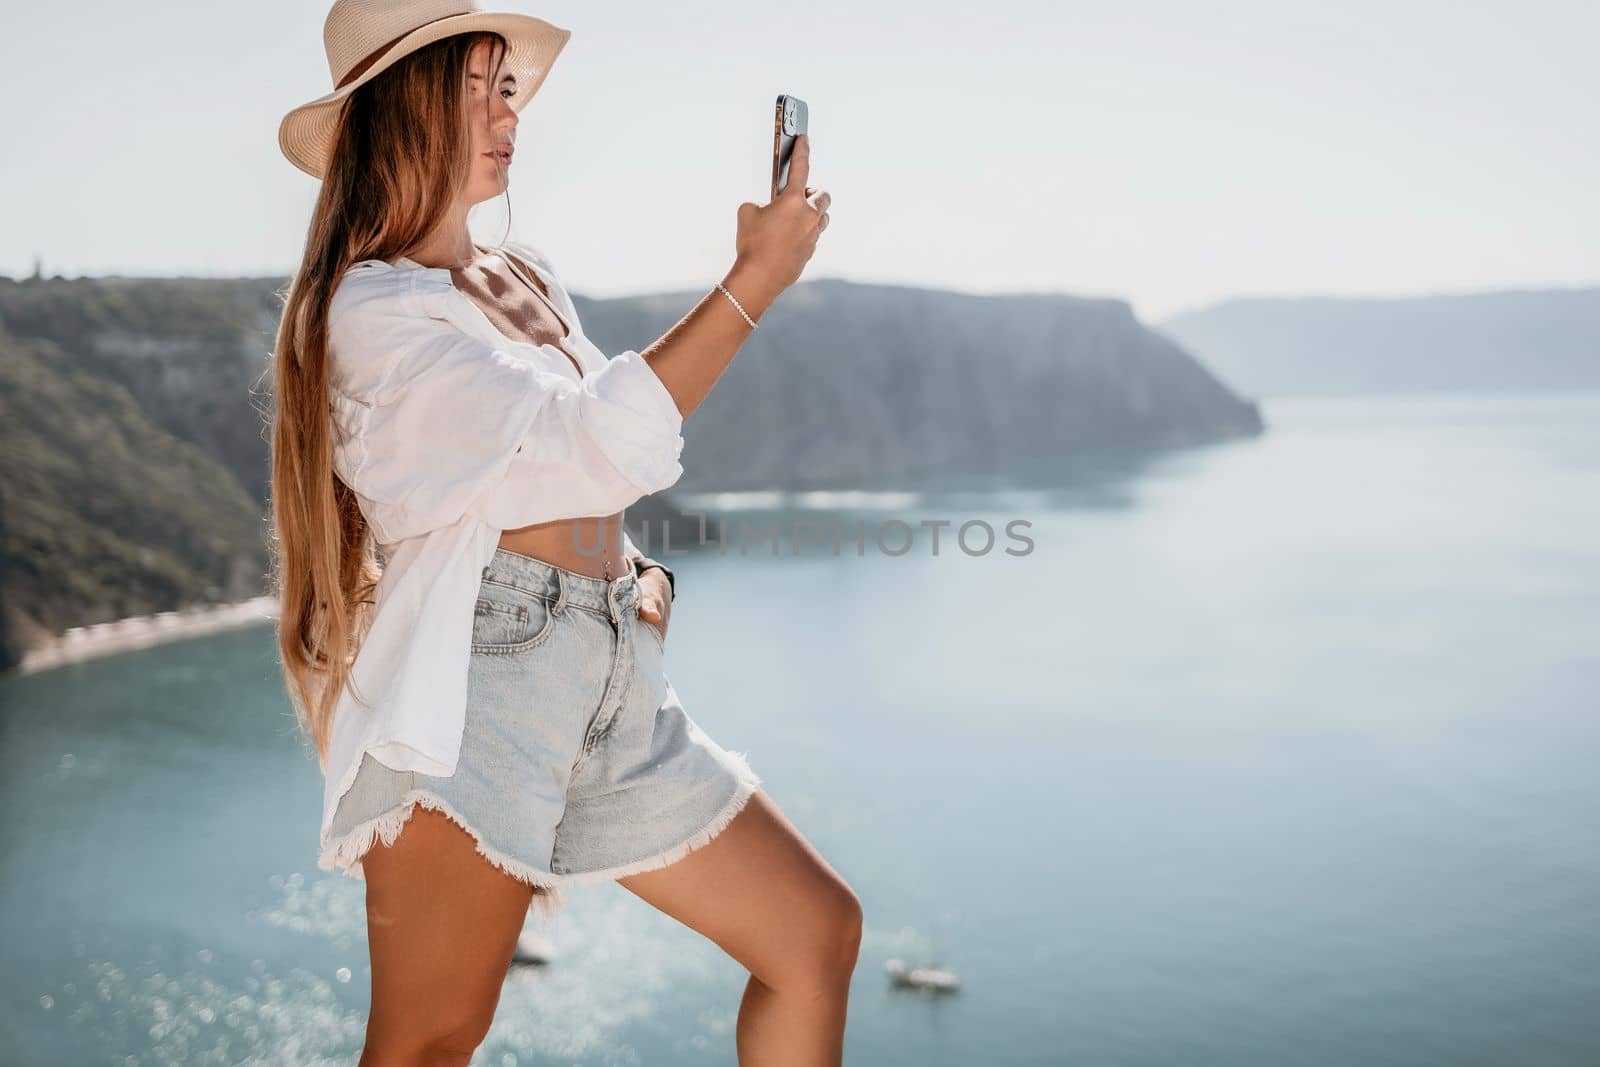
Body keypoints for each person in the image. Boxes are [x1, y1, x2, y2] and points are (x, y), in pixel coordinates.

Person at [268, 2, 858, 1063]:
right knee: (430, 1040)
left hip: (607, 663)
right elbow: (592, 439)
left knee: (814, 935)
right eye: (474, 89)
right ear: (398, 109)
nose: (507, 117)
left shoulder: (523, 273)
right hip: (480, 677)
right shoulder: (371, 313)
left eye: (510, 91)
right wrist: (755, 281)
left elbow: (575, 471)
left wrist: (632, 570)